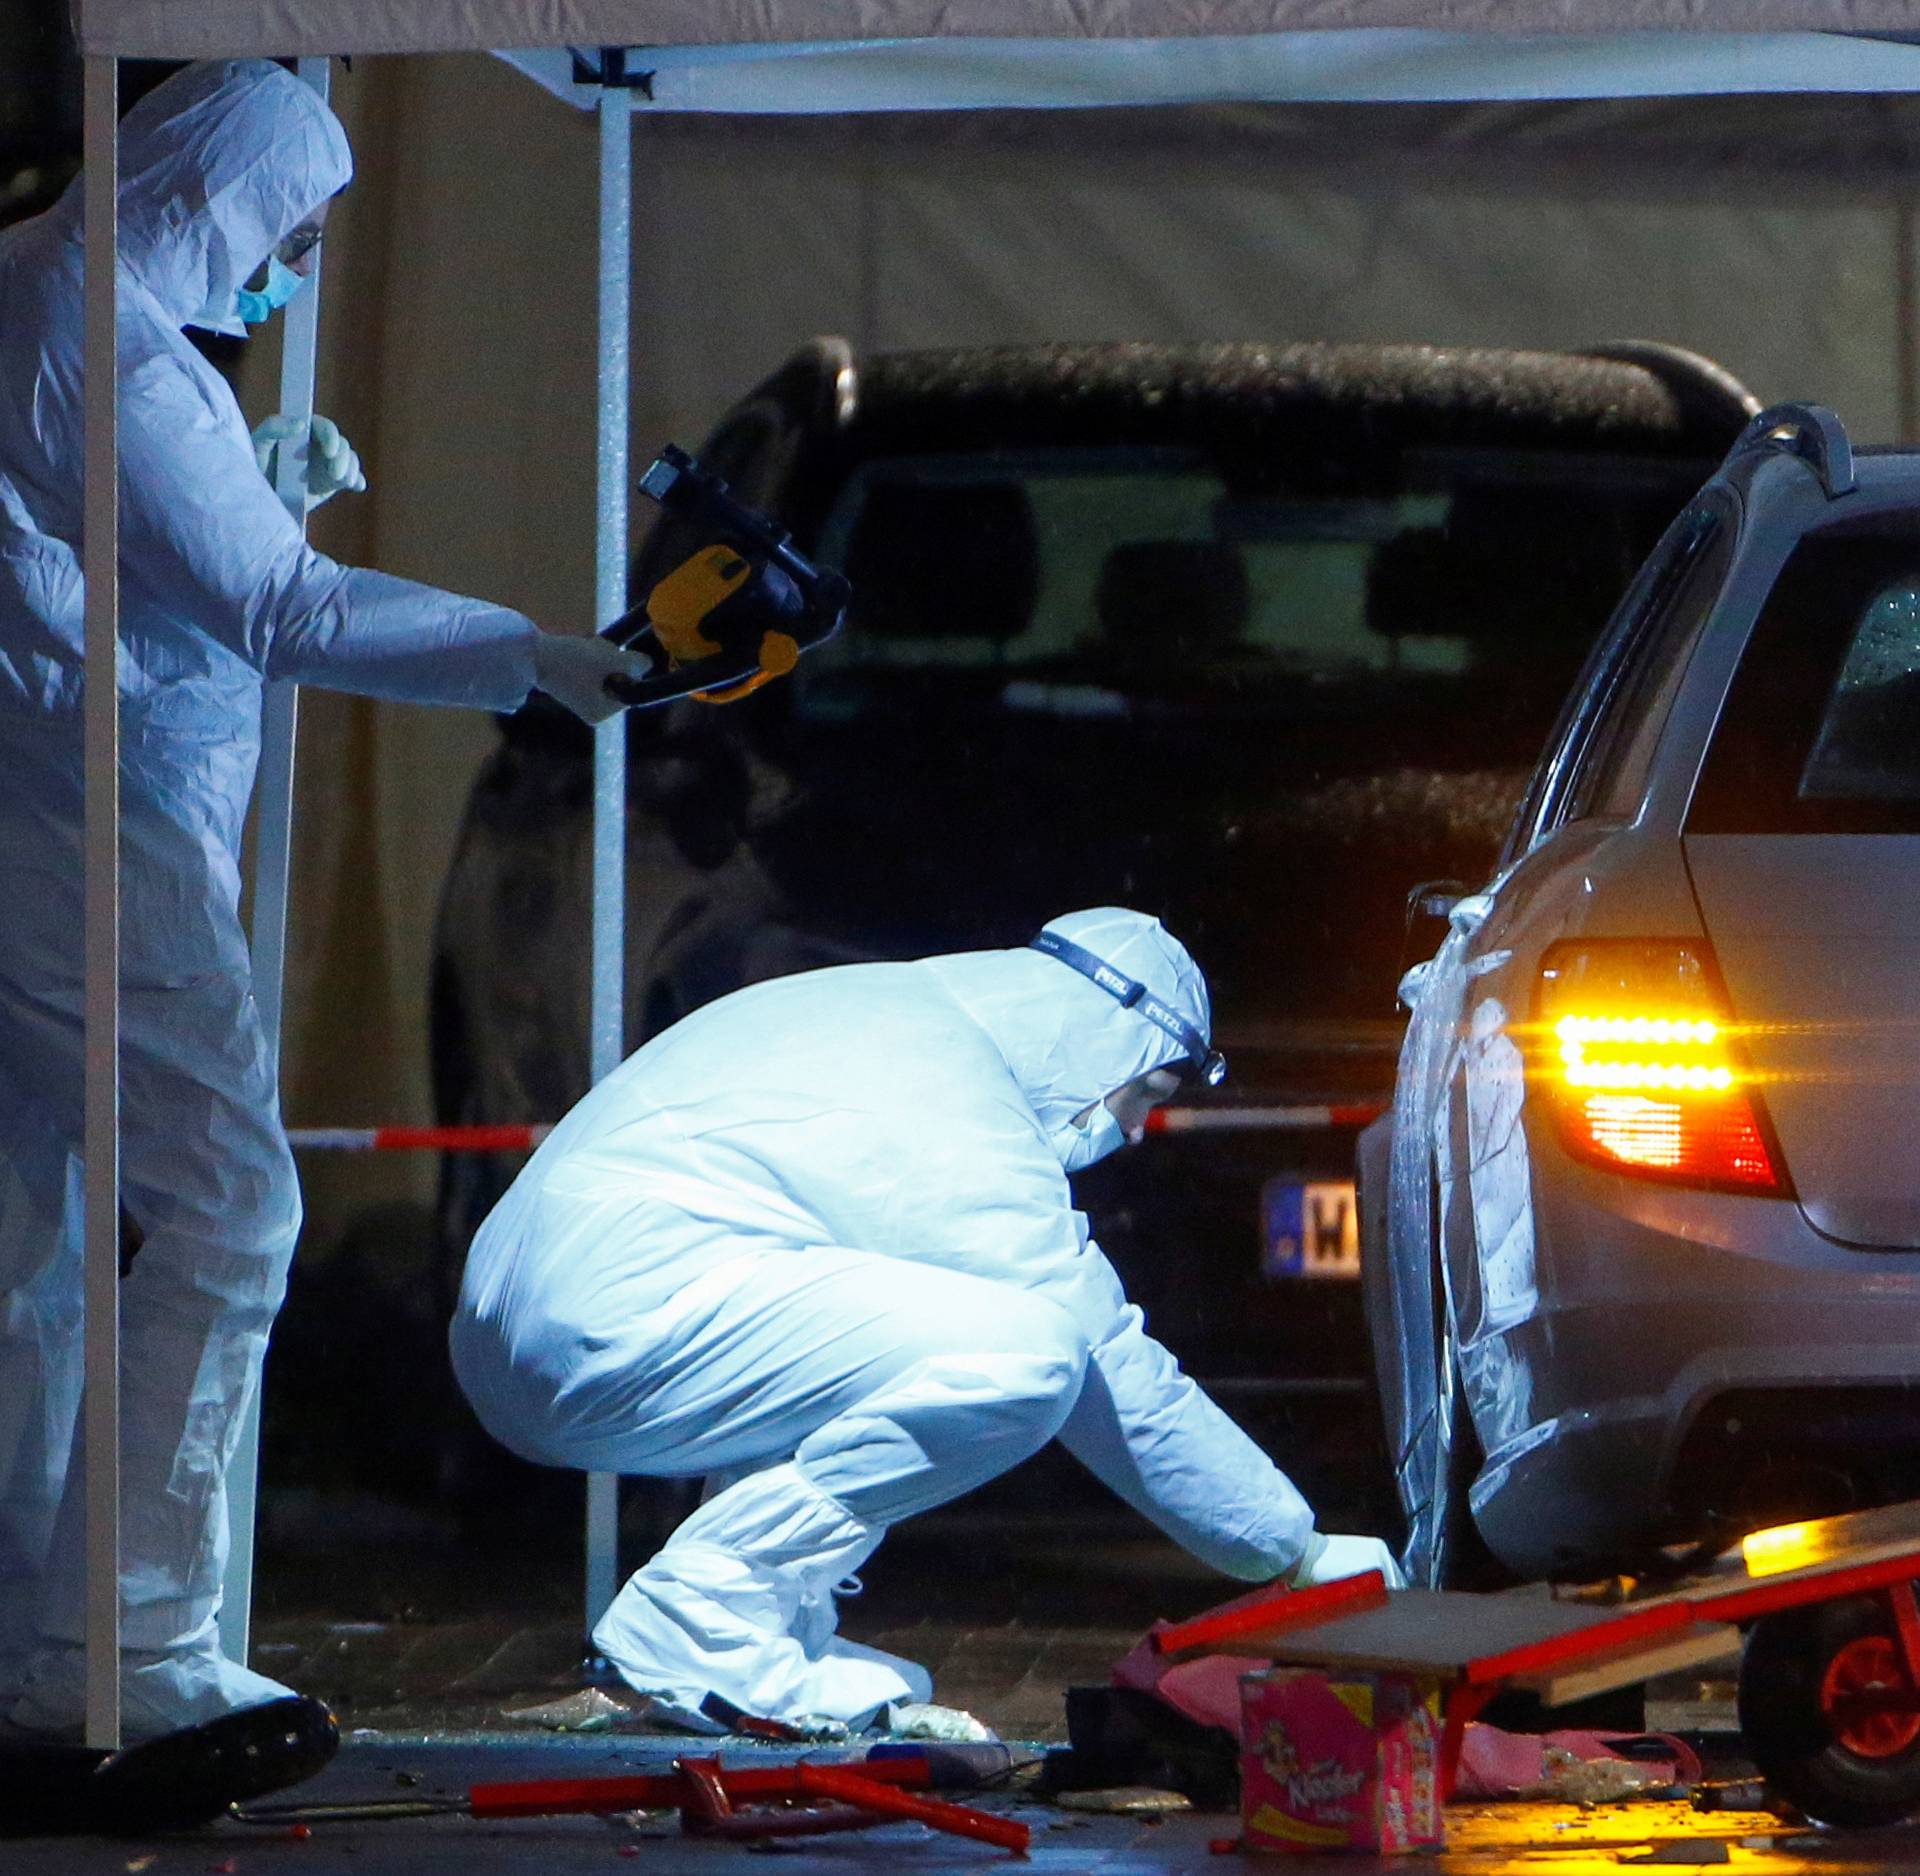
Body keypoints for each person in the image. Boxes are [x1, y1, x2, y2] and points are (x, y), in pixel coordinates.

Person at [0, 59, 642, 1739]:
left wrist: (242, 477)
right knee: (227, 1204)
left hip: (47, 802)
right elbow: (277, 609)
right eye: (284, 228)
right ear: (213, 195)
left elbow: (106, 570)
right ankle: (124, 1649)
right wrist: (530, 658)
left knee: (42, 1239)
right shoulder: (117, 338)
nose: (285, 268)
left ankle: (28, 1631)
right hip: (89, 823)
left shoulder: (43, 288)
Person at [451, 908, 1403, 1735]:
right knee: (1026, 1354)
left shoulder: (890, 1012)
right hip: (603, 1318)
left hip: (544, 1318)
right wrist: (1295, 1551)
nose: (1133, 1127)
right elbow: (1110, 1366)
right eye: (1144, 1093)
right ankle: (707, 1621)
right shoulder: (956, 1091)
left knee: (886, 1336)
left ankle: (762, 1629)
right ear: (1106, 1036)